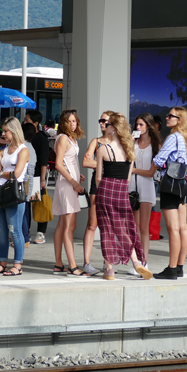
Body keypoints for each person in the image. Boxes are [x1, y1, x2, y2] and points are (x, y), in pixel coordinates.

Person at [96, 113, 152, 280]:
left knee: (106, 230)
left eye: (108, 125)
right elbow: (128, 178)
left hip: (106, 189)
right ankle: (136, 262)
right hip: (122, 191)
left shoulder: (103, 149)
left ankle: (110, 269)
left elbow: (99, 177)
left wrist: (101, 192)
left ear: (112, 128)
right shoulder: (129, 149)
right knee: (124, 229)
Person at [152, 107, 187, 279]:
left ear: (179, 120)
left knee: (173, 229)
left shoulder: (172, 138)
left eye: (171, 116)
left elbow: (158, 160)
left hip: (170, 185)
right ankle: (179, 267)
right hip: (184, 185)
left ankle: (171, 268)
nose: (167, 117)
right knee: (183, 228)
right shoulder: (186, 138)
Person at [0, 117, 30, 276]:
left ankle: (18, 265)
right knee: (1, 231)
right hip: (0, 193)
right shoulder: (3, 151)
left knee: (15, 230)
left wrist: (1, 174)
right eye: (3, 131)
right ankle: (2, 263)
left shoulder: (23, 150)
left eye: (6, 131)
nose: (3, 134)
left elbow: (16, 174)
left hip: (14, 194)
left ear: (14, 130)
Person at [52, 109, 86, 276]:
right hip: (67, 185)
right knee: (68, 226)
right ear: (63, 123)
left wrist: (76, 174)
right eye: (69, 121)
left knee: (62, 225)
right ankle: (72, 266)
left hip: (68, 182)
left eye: (74, 121)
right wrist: (74, 182)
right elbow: (58, 164)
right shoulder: (64, 138)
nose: (73, 124)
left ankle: (59, 264)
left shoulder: (69, 138)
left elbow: (67, 162)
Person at [80, 110, 112, 276]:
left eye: (105, 121)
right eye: (100, 120)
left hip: (112, 184)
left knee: (109, 225)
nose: (101, 123)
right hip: (97, 184)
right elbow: (85, 161)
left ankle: (109, 263)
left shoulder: (117, 142)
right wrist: (105, 164)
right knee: (92, 224)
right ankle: (87, 262)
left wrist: (98, 163)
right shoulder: (96, 141)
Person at [131, 113, 161, 269]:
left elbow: (151, 172)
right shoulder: (133, 142)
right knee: (134, 227)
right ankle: (136, 263)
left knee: (144, 227)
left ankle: (144, 262)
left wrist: (133, 170)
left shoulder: (156, 145)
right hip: (132, 186)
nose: (138, 127)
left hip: (147, 185)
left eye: (141, 124)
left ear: (148, 126)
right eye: (137, 124)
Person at [23, 110, 50, 244]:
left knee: (40, 204)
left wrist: (43, 179)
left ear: (35, 123)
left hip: (37, 176)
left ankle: (41, 232)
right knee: (26, 205)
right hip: (26, 177)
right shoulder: (24, 138)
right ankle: (25, 231)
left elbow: (43, 162)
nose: (24, 122)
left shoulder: (41, 139)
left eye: (27, 120)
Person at [20, 123, 38, 248]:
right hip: (30, 183)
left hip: (23, 182)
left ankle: (24, 237)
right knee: (25, 210)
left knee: (22, 211)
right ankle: (26, 237)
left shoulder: (23, 148)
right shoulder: (32, 148)